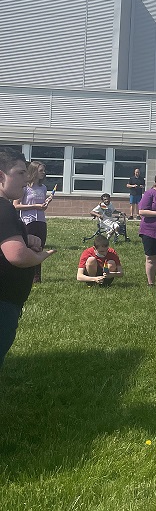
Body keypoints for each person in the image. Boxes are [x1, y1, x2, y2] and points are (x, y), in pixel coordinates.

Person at [0, 148, 55, 366]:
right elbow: (18, 257)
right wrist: (41, 256)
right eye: (20, 173)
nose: (25, 179)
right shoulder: (4, 208)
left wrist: (25, 237)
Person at [14, 161, 51, 284]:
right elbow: (16, 205)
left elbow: (42, 207)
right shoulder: (25, 188)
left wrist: (45, 204)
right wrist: (35, 205)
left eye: (44, 171)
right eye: (41, 171)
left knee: (39, 247)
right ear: (34, 171)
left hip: (41, 221)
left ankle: (37, 277)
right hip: (27, 221)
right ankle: (24, 274)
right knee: (27, 247)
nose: (43, 173)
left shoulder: (43, 188)